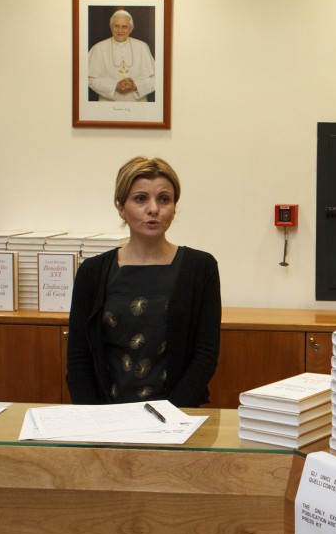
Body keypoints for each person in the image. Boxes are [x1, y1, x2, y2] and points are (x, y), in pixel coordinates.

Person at [66, 157, 221, 407]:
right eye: (140, 199)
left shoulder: (200, 267)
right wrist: (94, 418)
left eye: (164, 199)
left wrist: (170, 416)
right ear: (121, 207)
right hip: (107, 416)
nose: (153, 209)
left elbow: (205, 356)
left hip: (178, 415)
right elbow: (78, 360)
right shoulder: (92, 272)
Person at [87, 9, 156, 102]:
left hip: (138, 105)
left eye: (124, 27)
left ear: (131, 29)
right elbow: (90, 79)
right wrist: (114, 85)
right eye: (116, 26)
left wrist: (136, 85)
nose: (120, 30)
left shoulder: (142, 47)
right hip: (107, 105)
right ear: (111, 27)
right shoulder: (98, 48)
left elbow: (155, 78)